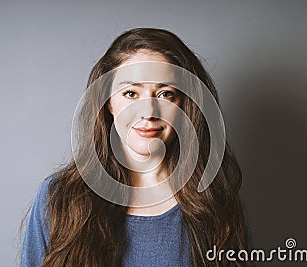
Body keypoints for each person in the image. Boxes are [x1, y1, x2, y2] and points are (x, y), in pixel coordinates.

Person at [20, 28, 252, 267]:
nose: (148, 112)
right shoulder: (59, 198)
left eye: (165, 94)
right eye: (131, 93)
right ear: (108, 102)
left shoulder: (216, 204)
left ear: (185, 104)